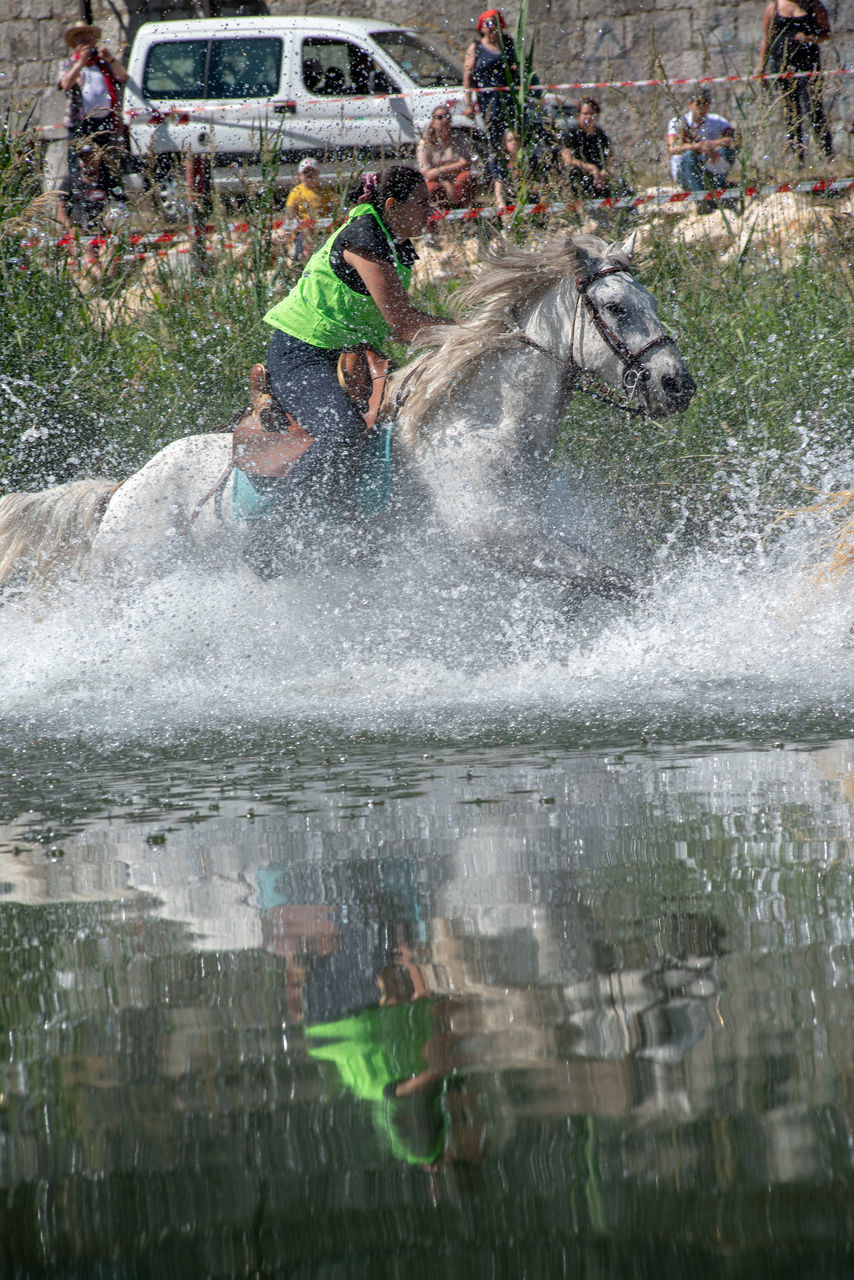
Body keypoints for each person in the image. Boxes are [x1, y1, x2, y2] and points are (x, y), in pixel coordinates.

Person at [249, 166, 451, 565]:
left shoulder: (394, 240)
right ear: (392, 206)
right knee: (341, 431)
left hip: (347, 352)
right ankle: (274, 535)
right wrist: (479, 332)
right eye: (422, 203)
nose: (431, 210)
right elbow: (404, 324)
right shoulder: (364, 238)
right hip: (300, 353)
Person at [755, 0, 833, 163]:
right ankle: (797, 158)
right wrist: (761, 67)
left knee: (813, 108)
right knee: (790, 111)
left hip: (808, 65)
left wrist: (810, 38)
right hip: (782, 65)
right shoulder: (773, 8)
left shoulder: (814, 6)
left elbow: (827, 33)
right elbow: (766, 39)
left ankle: (827, 156)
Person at [462, 9, 519, 209]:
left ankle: (517, 186)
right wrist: (468, 102)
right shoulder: (476, 47)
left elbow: (517, 69)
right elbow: (468, 76)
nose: (491, 27)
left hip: (509, 103)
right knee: (496, 148)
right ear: (481, 27)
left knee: (514, 144)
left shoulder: (508, 44)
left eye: (494, 22)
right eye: (487, 23)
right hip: (489, 104)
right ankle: (499, 195)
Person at [58, 21, 128, 183]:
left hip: (104, 122)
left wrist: (110, 58)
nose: (86, 46)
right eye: (81, 42)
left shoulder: (103, 64)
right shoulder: (69, 64)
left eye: (88, 41)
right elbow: (65, 84)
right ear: (75, 45)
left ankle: (112, 201)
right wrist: (80, 63)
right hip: (80, 124)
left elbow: (123, 76)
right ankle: (79, 200)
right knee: (78, 167)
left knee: (109, 166)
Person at [667, 88, 740, 193]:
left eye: (706, 103)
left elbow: (736, 140)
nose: (702, 107)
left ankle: (718, 185)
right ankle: (701, 198)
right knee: (689, 155)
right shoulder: (678, 122)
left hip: (709, 164)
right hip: (685, 172)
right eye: (699, 103)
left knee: (728, 151)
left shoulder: (716, 120)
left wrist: (711, 145)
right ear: (690, 104)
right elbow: (673, 148)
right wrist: (698, 147)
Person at [416, 106, 475, 208]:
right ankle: (437, 218)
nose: (445, 119)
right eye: (440, 117)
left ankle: (463, 214)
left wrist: (438, 170)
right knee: (432, 188)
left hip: (455, 180)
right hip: (436, 181)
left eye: (448, 116)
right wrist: (445, 183)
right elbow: (426, 174)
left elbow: (465, 164)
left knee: (466, 177)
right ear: (433, 122)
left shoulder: (458, 137)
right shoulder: (425, 143)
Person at [559, 96, 614, 199]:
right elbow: (567, 160)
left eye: (592, 114)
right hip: (580, 175)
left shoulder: (601, 135)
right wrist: (591, 168)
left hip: (599, 178)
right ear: (578, 115)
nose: (588, 117)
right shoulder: (571, 134)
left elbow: (609, 161)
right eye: (585, 114)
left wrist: (605, 172)